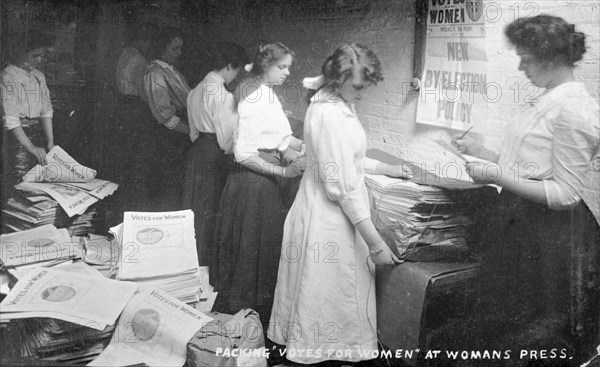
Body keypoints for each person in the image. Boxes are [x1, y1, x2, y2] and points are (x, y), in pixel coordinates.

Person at [452, 15, 599, 359]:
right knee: (502, 326)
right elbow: (526, 169)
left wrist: (495, 175)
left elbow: (566, 194)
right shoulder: (548, 100)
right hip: (521, 225)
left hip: (550, 238)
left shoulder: (574, 110)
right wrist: (481, 152)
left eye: (527, 59)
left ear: (551, 57)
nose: (520, 66)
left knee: (531, 335)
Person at [268, 43, 413, 365]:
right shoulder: (329, 113)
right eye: (359, 86)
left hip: (324, 214)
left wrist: (386, 168)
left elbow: (348, 160)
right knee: (327, 303)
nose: (363, 92)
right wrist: (375, 243)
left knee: (324, 303)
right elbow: (343, 187)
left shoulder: (336, 102)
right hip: (328, 222)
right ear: (338, 79)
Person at [211, 42, 305, 326]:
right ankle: (243, 325)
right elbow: (243, 154)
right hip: (252, 185)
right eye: (282, 66)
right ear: (266, 66)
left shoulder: (268, 95)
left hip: (264, 183)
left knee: (259, 253)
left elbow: (282, 140)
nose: (287, 72)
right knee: (249, 255)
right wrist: (283, 172)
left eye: (289, 66)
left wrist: (314, 145)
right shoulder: (254, 98)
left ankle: (253, 320)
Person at [183, 42, 249, 265]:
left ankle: (188, 262)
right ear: (230, 66)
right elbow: (227, 140)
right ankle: (203, 265)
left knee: (192, 208)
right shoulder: (223, 96)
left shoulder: (194, 91)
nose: (236, 76)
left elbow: (193, 131)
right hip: (214, 155)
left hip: (196, 151)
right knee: (209, 210)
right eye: (237, 70)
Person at [106, 22, 158, 217]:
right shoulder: (138, 60)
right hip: (134, 111)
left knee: (122, 160)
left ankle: (120, 207)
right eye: (147, 40)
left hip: (122, 110)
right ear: (141, 40)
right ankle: (130, 208)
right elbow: (146, 93)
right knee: (134, 162)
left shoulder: (124, 54)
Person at [1, 30, 56, 204]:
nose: (40, 60)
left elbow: (46, 111)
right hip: (17, 139)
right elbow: (11, 120)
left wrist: (50, 141)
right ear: (21, 52)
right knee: (18, 184)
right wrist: (31, 147)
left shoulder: (39, 77)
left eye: (42, 55)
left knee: (39, 186)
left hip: (37, 134)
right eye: (35, 55)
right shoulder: (7, 76)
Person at [142, 27, 192, 211]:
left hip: (177, 136)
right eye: (174, 49)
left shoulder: (171, 70)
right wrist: (191, 132)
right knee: (165, 189)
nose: (179, 53)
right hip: (166, 137)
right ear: (162, 48)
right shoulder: (154, 73)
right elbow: (164, 116)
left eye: (180, 48)